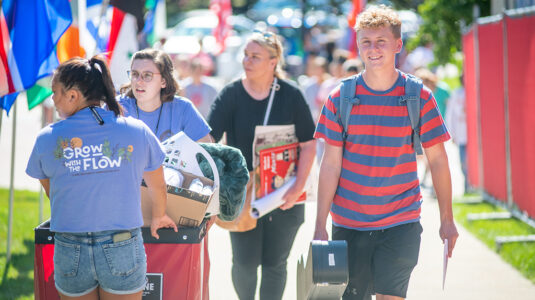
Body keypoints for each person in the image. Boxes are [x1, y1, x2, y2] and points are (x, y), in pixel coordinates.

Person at [313, 5, 459, 300]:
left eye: (381, 41)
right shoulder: (341, 98)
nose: (373, 49)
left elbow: (439, 161)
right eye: (366, 41)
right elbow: (330, 165)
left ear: (397, 45)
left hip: (401, 221)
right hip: (349, 223)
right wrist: (319, 225)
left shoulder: (419, 97)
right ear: (358, 46)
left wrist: (447, 218)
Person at [26, 56, 177, 300]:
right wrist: (159, 215)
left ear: (73, 95)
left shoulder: (46, 138)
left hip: (70, 246)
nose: (52, 99)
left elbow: (53, 193)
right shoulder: (136, 130)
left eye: (55, 92)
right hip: (122, 245)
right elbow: (158, 186)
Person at [207, 30, 316, 300]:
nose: (247, 60)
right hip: (242, 194)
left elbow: (309, 144)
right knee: (244, 263)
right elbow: (209, 138)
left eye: (255, 56)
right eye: (245, 55)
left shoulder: (291, 95)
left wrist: (298, 186)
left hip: (284, 192)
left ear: (273, 61)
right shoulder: (231, 93)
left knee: (275, 264)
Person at [118, 49, 211, 143]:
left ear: (163, 81)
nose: (138, 81)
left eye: (147, 75)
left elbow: (206, 151)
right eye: (135, 74)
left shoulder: (183, 109)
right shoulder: (116, 107)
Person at [445, 74, 469, 193]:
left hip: (474, 136)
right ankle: (467, 185)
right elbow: (451, 115)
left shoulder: (475, 91)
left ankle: (472, 185)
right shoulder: (457, 94)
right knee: (463, 161)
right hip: (461, 133)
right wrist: (452, 133)